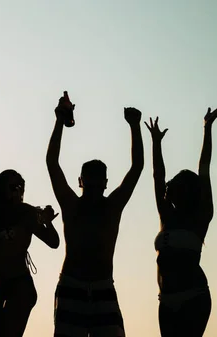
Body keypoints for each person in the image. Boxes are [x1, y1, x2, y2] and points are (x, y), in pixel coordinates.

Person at [46, 92, 144, 337]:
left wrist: (135, 127)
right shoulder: (73, 205)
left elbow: (137, 168)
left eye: (97, 177)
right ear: (81, 180)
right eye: (89, 177)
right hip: (72, 284)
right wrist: (59, 121)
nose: (92, 182)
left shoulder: (110, 207)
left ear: (105, 182)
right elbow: (52, 163)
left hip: (102, 286)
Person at [144, 101, 217, 337]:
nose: (172, 191)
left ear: (190, 192)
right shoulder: (166, 215)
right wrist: (156, 143)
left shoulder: (200, 217)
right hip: (166, 299)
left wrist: (207, 128)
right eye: (174, 187)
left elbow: (204, 168)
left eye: (180, 187)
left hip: (194, 297)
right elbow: (157, 176)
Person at [0, 169, 60, 337]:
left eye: (20, 187)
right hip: (0, 289)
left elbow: (53, 242)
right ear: (0, 188)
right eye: (13, 186)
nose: (17, 191)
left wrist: (47, 222)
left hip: (20, 287)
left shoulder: (26, 213)